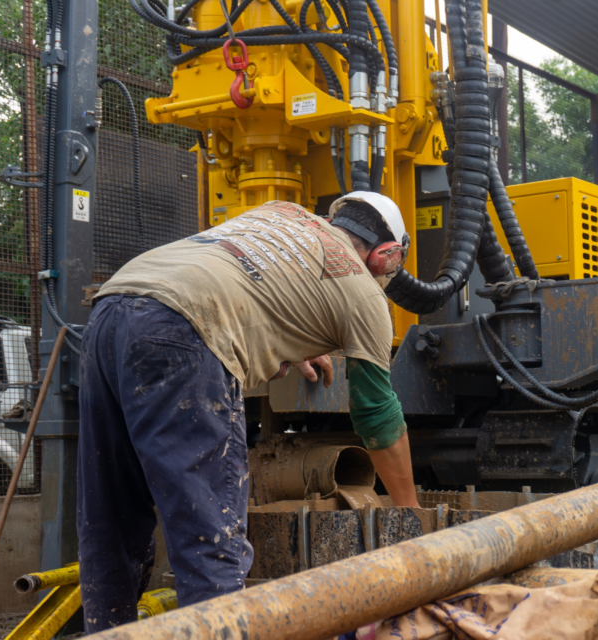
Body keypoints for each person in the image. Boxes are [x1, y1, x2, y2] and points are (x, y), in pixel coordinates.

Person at [77, 192, 419, 632]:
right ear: (386, 256)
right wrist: (410, 518)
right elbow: (377, 417)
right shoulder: (364, 294)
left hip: (111, 311)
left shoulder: (281, 211)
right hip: (186, 327)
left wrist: (288, 344)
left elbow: (250, 277)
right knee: (209, 537)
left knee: (111, 515)